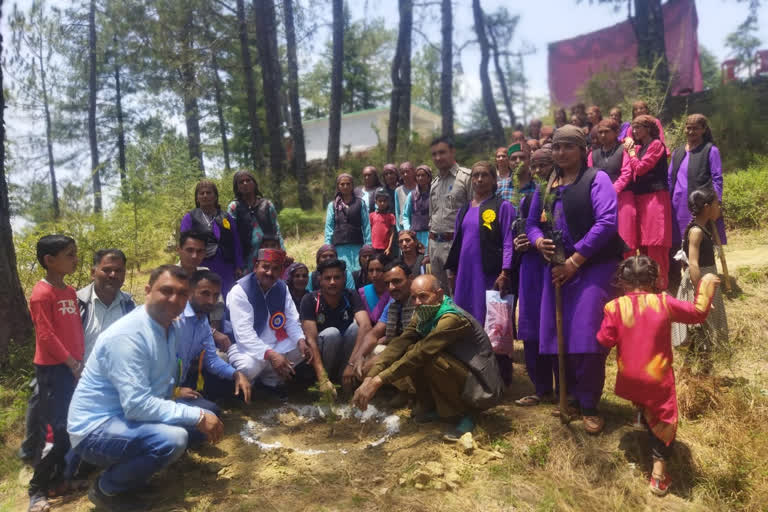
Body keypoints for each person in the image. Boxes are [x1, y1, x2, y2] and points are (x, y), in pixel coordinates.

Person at [68, 265, 224, 511]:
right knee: (174, 438)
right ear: (148, 290)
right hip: (95, 428)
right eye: (166, 291)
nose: (175, 299)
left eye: (182, 294)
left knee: (192, 429)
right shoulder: (129, 335)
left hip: (125, 416)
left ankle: (130, 477)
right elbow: (138, 405)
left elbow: (158, 389)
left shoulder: (167, 328)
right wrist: (198, 415)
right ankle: (106, 489)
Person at [526, 125, 624, 434]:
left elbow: (608, 221)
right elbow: (531, 224)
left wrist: (575, 260)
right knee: (558, 336)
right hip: (555, 271)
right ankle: (565, 398)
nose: (560, 153)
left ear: (583, 150)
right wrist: (538, 240)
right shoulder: (545, 187)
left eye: (568, 147)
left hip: (592, 268)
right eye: (556, 147)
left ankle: (589, 404)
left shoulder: (598, 179)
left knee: (586, 338)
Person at [598, 255, 720, 497]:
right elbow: (697, 313)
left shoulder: (614, 307)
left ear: (622, 280)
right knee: (666, 420)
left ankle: (642, 417)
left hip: (629, 378)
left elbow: (604, 339)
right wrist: (706, 282)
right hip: (657, 379)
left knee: (644, 400)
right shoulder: (663, 302)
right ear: (653, 279)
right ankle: (658, 477)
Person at [352, 274, 504, 436]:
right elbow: (399, 344)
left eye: (423, 296)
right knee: (411, 351)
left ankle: (466, 414)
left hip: (479, 382)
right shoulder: (423, 314)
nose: (417, 302)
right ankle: (436, 408)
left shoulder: (452, 318)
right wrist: (371, 377)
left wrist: (379, 380)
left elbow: (422, 351)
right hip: (459, 370)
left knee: (428, 358)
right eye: (414, 298)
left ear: (438, 294)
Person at [25, 235, 83, 512]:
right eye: (69, 254)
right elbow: (46, 336)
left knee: (69, 427)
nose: (75, 259)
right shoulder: (41, 294)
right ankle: (36, 490)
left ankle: (58, 480)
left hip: (72, 367)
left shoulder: (70, 292)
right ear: (50, 260)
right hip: (52, 370)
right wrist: (71, 363)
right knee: (53, 431)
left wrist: (79, 363)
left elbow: (75, 331)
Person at [446, 161, 515, 328]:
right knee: (464, 320)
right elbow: (457, 243)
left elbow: (508, 241)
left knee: (488, 322)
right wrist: (452, 271)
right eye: (475, 175)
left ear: (493, 180)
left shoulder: (503, 207)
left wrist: (505, 272)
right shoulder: (464, 210)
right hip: (465, 274)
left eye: (484, 175)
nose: (479, 179)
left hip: (489, 274)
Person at [513, 149, 558, 405]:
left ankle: (565, 390)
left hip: (552, 269)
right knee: (531, 327)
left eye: (546, 165)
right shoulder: (528, 199)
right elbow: (523, 230)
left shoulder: (564, 195)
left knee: (553, 324)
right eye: (537, 165)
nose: (540, 170)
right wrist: (521, 243)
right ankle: (541, 388)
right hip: (530, 269)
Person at [226, 249, 307, 389]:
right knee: (249, 367)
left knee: (304, 349)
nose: (270, 273)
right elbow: (244, 334)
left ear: (281, 270)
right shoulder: (239, 291)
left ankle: (271, 383)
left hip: (275, 343)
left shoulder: (282, 287)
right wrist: (271, 355)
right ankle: (246, 387)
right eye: (265, 267)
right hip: (244, 347)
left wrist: (300, 340)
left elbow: (292, 321)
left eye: (275, 269)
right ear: (256, 266)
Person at [175, 270, 252, 409]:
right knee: (211, 411)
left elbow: (210, 359)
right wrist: (174, 392)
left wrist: (236, 374)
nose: (211, 301)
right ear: (189, 292)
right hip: (162, 388)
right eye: (205, 294)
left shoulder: (203, 320)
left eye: (215, 295)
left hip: (187, 378)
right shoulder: (174, 318)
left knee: (240, 387)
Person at [671, 188, 729, 368]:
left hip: (706, 281)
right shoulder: (696, 232)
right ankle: (701, 371)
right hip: (701, 282)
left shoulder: (703, 228)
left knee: (703, 328)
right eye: (715, 204)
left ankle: (699, 371)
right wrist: (701, 293)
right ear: (706, 207)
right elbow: (693, 264)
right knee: (701, 327)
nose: (718, 208)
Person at [300, 258, 372, 388]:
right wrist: (322, 377)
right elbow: (311, 339)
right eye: (327, 278)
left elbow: (366, 325)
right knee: (332, 334)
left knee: (357, 328)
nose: (332, 282)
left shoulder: (351, 295)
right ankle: (324, 383)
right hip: (322, 355)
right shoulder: (310, 299)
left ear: (344, 278)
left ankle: (346, 380)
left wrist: (351, 365)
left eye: (337, 277)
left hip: (346, 355)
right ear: (320, 280)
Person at [624, 114, 672, 289]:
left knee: (655, 244)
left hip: (655, 199)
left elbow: (641, 168)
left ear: (649, 128)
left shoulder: (656, 145)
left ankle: (661, 286)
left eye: (639, 127)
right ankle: (648, 286)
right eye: (633, 128)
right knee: (644, 245)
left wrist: (630, 152)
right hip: (641, 199)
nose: (635, 131)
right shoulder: (640, 147)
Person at [668, 114, 726, 249]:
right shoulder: (678, 151)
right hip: (677, 205)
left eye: (695, 128)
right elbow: (670, 178)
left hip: (699, 205)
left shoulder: (711, 150)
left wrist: (716, 203)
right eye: (688, 128)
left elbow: (717, 179)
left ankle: (701, 269)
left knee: (699, 243)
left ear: (704, 130)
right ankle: (686, 269)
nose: (691, 132)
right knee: (680, 244)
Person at [180, 180, 242, 297]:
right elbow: (184, 244)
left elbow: (236, 242)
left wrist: (238, 265)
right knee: (206, 298)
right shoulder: (190, 218)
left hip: (226, 267)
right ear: (197, 198)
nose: (205, 196)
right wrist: (187, 267)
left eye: (209, 193)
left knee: (228, 298)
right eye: (201, 193)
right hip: (202, 266)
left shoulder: (226, 217)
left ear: (215, 196)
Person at [353, 261, 417, 373]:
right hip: (397, 349)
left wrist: (377, 360)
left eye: (397, 281)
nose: (391, 287)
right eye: (387, 284)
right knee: (367, 354)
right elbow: (375, 332)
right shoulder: (393, 303)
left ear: (410, 279)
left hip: (417, 352)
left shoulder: (420, 301)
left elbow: (413, 343)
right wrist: (359, 356)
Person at [428, 136, 472, 293]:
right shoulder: (434, 184)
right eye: (434, 154)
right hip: (435, 247)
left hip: (455, 245)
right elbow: (431, 219)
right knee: (439, 294)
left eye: (442, 152)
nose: (438, 157)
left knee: (459, 293)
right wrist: (429, 251)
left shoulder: (466, 178)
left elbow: (475, 215)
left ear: (452, 152)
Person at [589, 119, 636, 256]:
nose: (603, 135)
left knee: (627, 241)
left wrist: (611, 192)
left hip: (623, 200)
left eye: (606, 132)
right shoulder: (593, 154)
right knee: (604, 241)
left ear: (616, 133)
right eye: (600, 132)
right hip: (600, 203)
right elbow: (590, 177)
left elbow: (626, 173)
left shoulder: (624, 150)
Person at [227, 170, 284, 272]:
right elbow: (231, 237)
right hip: (245, 258)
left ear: (254, 183)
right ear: (237, 187)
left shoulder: (267, 205)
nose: (245, 183)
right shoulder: (234, 207)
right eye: (241, 182)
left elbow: (277, 230)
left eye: (248, 180)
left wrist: (282, 253)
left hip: (268, 254)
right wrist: (236, 264)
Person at [325, 173, 372, 273]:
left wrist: (368, 245)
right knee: (342, 272)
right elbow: (329, 228)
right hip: (339, 247)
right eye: (342, 184)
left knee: (358, 272)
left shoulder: (360, 203)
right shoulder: (332, 205)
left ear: (352, 185)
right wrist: (327, 247)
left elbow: (366, 226)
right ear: (338, 186)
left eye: (348, 184)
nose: (345, 186)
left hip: (357, 246)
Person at [402, 164, 432, 249]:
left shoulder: (434, 194)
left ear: (429, 177)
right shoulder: (411, 195)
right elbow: (405, 215)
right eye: (418, 176)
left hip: (430, 234)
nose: (420, 178)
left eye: (423, 175)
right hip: (415, 234)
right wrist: (408, 230)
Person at [358, 254, 391, 325]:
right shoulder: (363, 292)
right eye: (371, 270)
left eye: (378, 270)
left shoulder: (393, 292)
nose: (374, 275)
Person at [369, 188, 397, 255]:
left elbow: (392, 233)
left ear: (388, 202)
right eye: (380, 201)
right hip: (373, 247)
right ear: (376, 202)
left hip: (385, 248)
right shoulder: (371, 215)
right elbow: (369, 232)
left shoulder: (391, 216)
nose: (382, 203)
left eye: (384, 201)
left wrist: (389, 248)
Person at [395, 161, 417, 230]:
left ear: (413, 172)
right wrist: (399, 230)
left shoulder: (420, 188)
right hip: (403, 228)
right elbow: (397, 211)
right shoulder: (398, 190)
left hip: (419, 226)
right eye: (402, 173)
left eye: (407, 171)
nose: (405, 174)